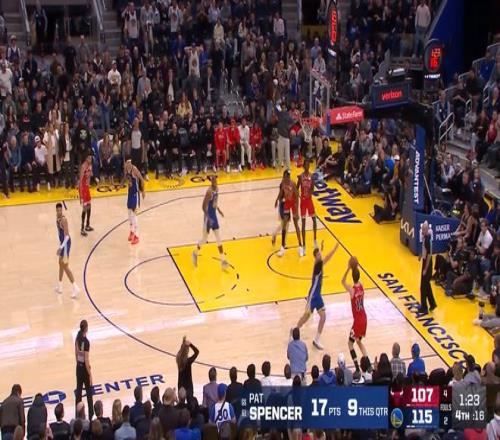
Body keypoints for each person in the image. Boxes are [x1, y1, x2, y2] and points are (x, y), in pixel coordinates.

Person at [295, 243, 340, 349]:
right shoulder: (318, 265)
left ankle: (316, 339)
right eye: (319, 254)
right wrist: (334, 249)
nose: (321, 255)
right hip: (312, 296)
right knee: (305, 317)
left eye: (320, 254)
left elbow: (323, 258)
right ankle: (294, 331)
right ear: (316, 257)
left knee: (323, 317)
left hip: (318, 296)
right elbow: (327, 258)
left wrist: (321, 248)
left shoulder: (318, 263)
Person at [192, 175, 228, 269]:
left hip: (214, 216)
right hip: (208, 217)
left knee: (218, 238)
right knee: (204, 239)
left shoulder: (217, 189)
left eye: (216, 181)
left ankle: (223, 260)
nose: (216, 183)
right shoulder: (209, 192)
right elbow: (203, 207)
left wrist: (219, 210)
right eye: (214, 182)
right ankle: (195, 252)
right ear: (212, 182)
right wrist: (208, 218)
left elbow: (215, 202)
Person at [341, 257, 368, 379]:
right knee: (359, 341)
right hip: (364, 318)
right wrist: (355, 267)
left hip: (357, 321)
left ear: (352, 277)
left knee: (350, 343)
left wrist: (348, 268)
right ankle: (368, 364)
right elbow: (357, 277)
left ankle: (357, 368)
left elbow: (342, 281)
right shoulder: (361, 287)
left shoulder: (352, 291)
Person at [55, 202, 80, 298]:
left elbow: (67, 236)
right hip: (62, 243)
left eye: (60, 210)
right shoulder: (57, 218)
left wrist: (61, 247)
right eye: (57, 210)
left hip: (66, 244)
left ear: (62, 210)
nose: (59, 212)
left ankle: (75, 287)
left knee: (65, 266)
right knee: (60, 263)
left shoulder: (64, 220)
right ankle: (60, 286)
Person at [276, 169, 303, 257]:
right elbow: (281, 193)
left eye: (288, 177)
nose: (286, 178)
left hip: (294, 203)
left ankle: (300, 246)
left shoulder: (293, 183)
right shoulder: (283, 183)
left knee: (296, 225)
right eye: (285, 177)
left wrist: (297, 212)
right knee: (284, 225)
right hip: (287, 203)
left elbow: (297, 196)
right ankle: (282, 247)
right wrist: (277, 200)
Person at [297, 159, 318, 255]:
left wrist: (310, 193)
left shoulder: (311, 176)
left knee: (314, 220)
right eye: (306, 165)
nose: (307, 166)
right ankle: (304, 245)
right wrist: (298, 197)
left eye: (308, 165)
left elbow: (313, 188)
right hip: (303, 202)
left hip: (309, 200)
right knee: (303, 223)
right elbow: (296, 188)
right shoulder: (300, 177)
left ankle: (315, 240)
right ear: (303, 166)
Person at [124, 157, 145, 245]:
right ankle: (132, 231)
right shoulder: (125, 169)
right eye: (127, 162)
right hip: (129, 194)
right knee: (129, 214)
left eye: (130, 162)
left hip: (135, 195)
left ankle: (137, 236)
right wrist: (120, 185)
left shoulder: (134, 169)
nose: (129, 164)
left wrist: (143, 191)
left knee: (134, 214)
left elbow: (142, 179)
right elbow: (126, 179)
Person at [75, 319, 94, 420]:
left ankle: (77, 415)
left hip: (78, 367)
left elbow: (76, 354)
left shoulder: (77, 338)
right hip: (84, 369)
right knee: (89, 393)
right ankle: (91, 415)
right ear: (86, 328)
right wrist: (90, 374)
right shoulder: (86, 342)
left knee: (78, 392)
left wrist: (79, 364)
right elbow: (86, 359)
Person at [419, 221, 436, 313]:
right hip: (425, 262)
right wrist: (421, 255)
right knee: (427, 285)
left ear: (426, 230)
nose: (421, 231)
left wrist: (425, 269)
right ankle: (432, 304)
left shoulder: (427, 240)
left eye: (423, 229)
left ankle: (424, 307)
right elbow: (424, 250)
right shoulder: (425, 237)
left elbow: (429, 255)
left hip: (427, 264)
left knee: (423, 287)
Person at [176, 336, 200, 400]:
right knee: (190, 401)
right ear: (187, 350)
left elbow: (181, 351)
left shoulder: (178, 358)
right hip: (188, 385)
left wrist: (184, 344)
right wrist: (190, 345)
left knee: (181, 402)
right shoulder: (188, 361)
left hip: (180, 384)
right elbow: (197, 352)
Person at [79, 153, 94, 237]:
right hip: (83, 188)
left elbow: (90, 175)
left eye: (91, 158)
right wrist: (81, 195)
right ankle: (82, 229)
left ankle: (87, 225)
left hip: (87, 188)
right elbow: (80, 181)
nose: (90, 160)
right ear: (86, 159)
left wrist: (91, 173)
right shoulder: (83, 167)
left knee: (89, 206)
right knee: (84, 209)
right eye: (89, 158)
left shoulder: (90, 166)